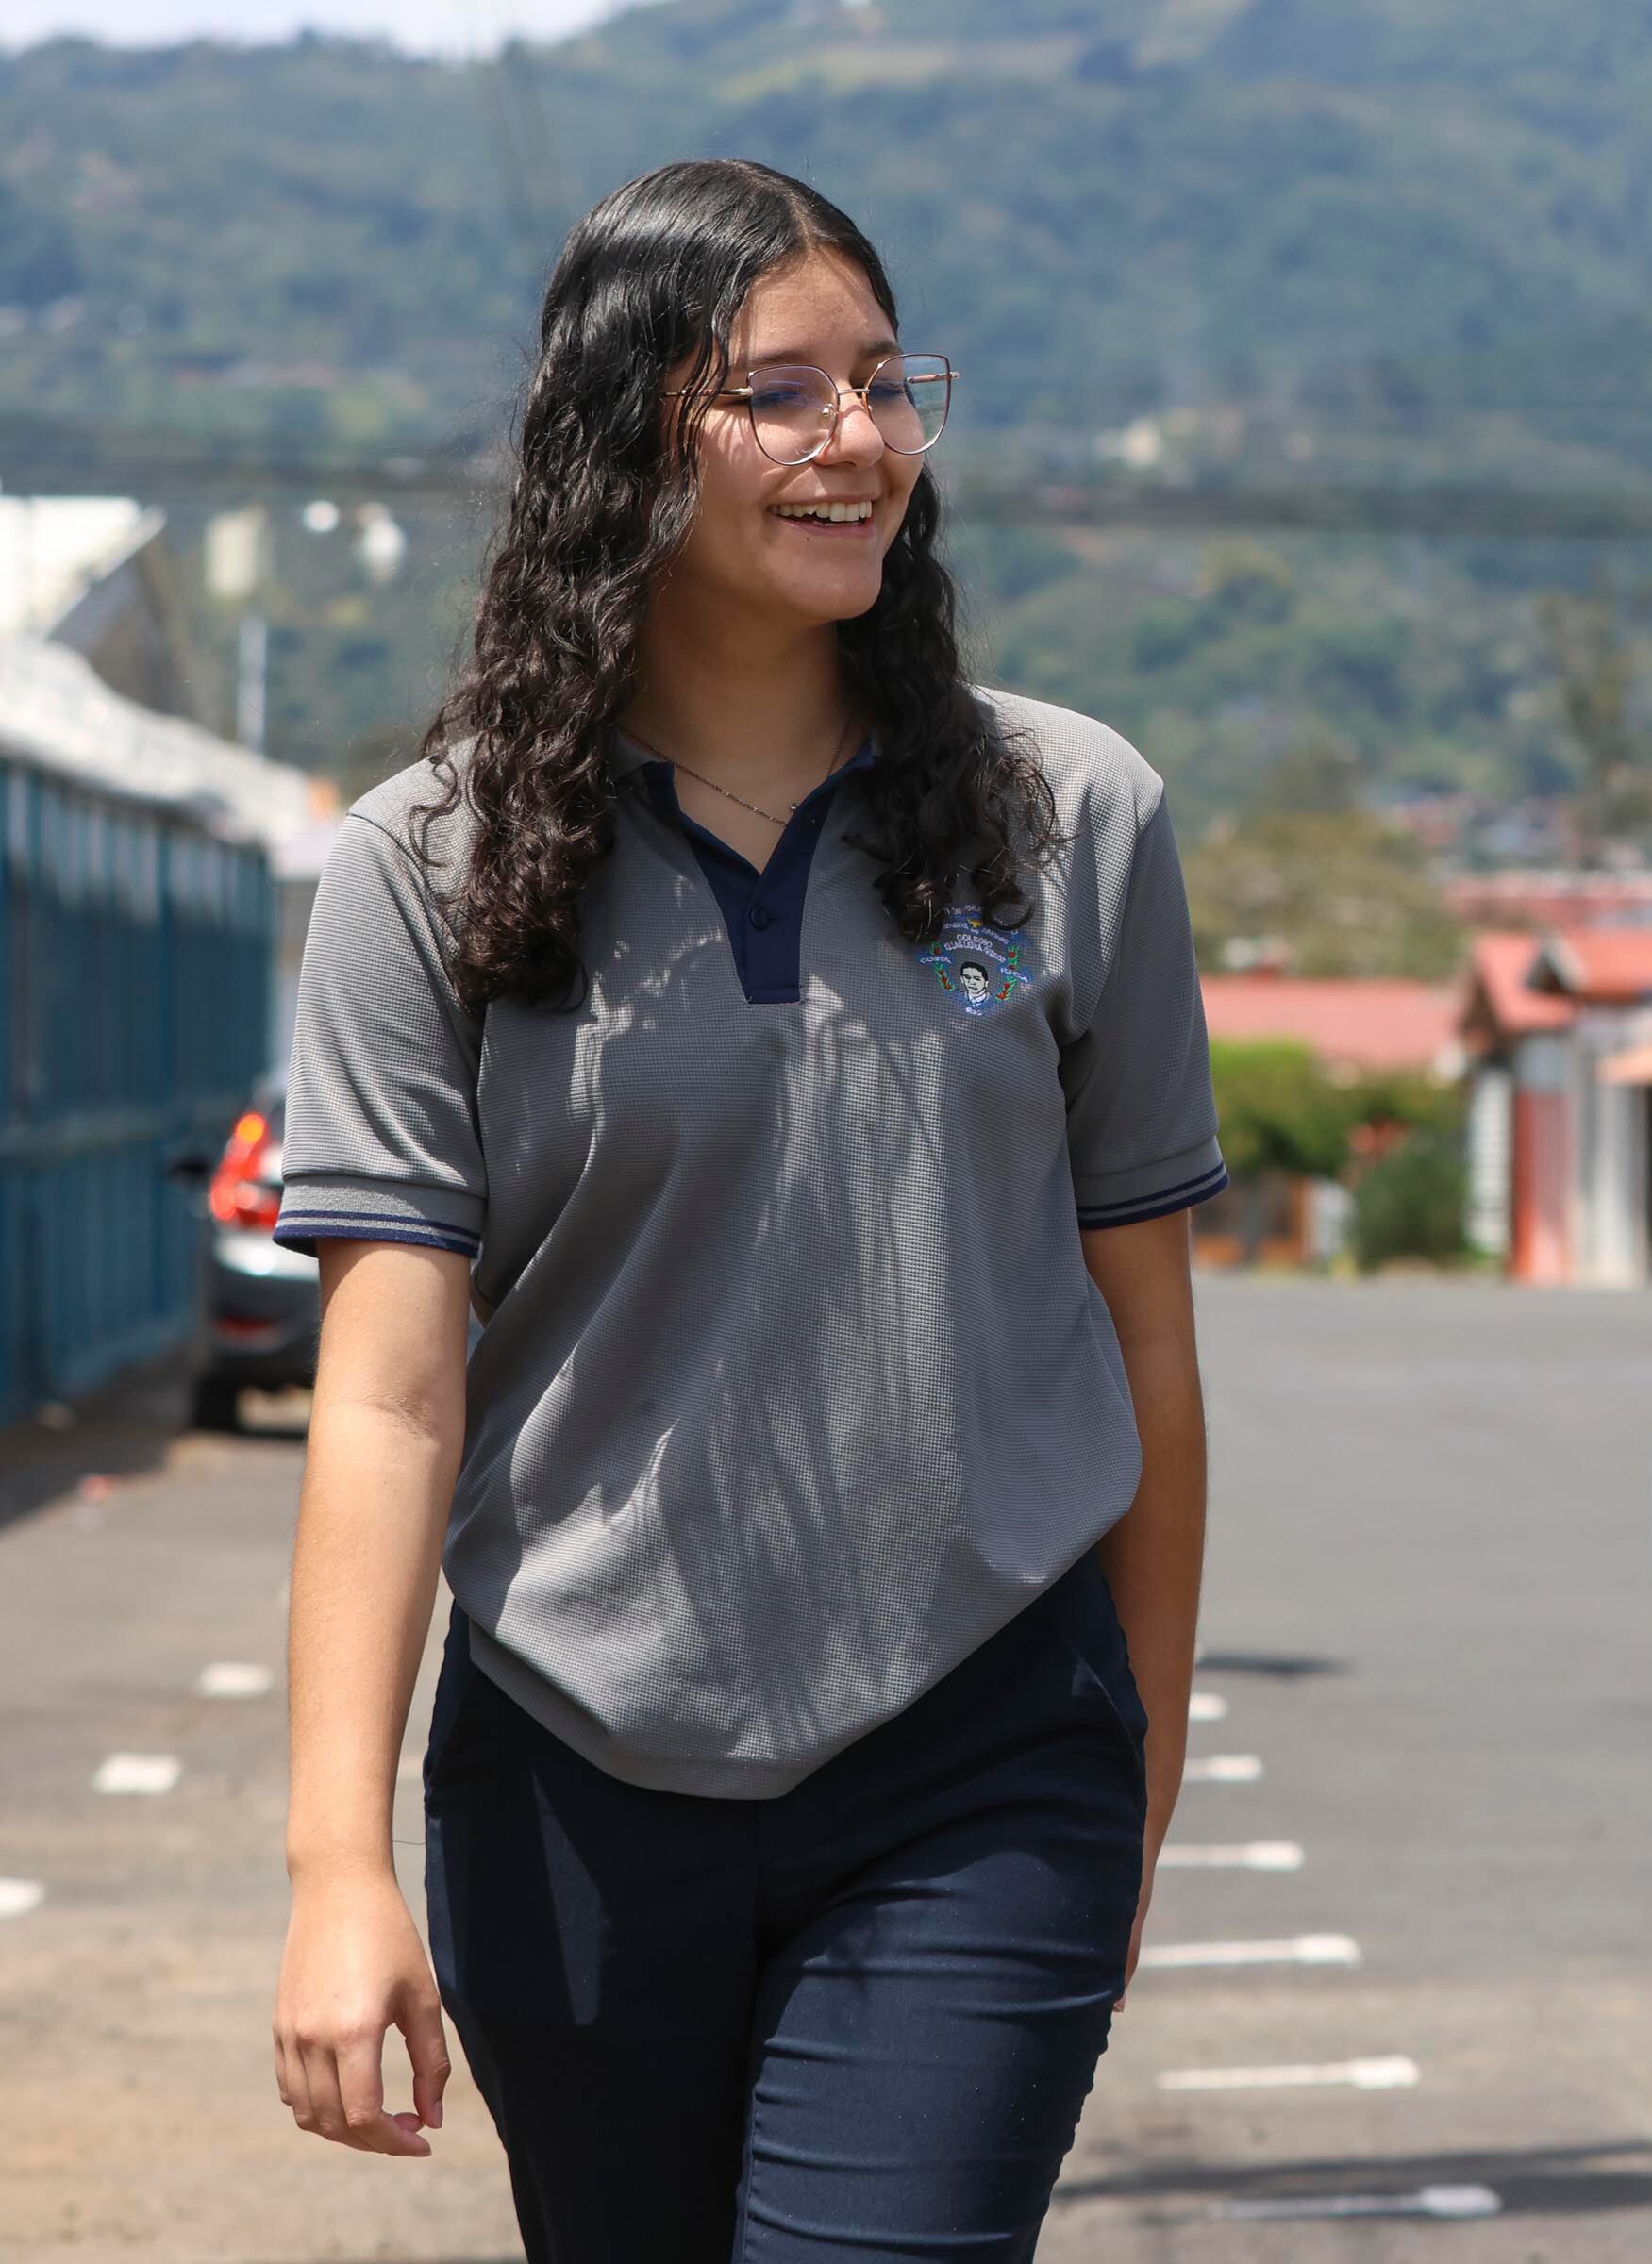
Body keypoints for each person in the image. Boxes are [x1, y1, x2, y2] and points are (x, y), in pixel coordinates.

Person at [267, 159, 1226, 2259]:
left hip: (985, 1757)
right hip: (568, 1773)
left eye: (885, 382)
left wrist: (1131, 1787)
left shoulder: (1071, 818)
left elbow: (1147, 1338)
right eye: (779, 391)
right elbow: (390, 1400)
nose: (857, 438)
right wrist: (337, 1868)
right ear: (626, 438)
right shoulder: (427, 867)